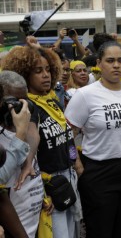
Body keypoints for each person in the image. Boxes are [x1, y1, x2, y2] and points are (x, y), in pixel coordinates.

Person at [65, 41, 121, 238]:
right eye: (110, 60)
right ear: (99, 63)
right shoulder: (85, 95)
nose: (116, 65)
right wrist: (78, 166)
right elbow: (68, 134)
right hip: (99, 172)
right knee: (100, 231)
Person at [1, 36, 83, 238]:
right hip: (46, 184)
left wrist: (77, 162)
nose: (46, 75)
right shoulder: (29, 107)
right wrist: (30, 164)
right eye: (38, 71)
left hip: (68, 178)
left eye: (48, 69)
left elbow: (66, 135)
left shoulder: (52, 100)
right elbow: (31, 135)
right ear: (24, 75)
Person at [0, 71, 48, 238]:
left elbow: (32, 166)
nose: (23, 108)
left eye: (25, 101)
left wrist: (42, 196)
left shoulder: (26, 125)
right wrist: (20, 132)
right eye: (15, 102)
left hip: (32, 221)